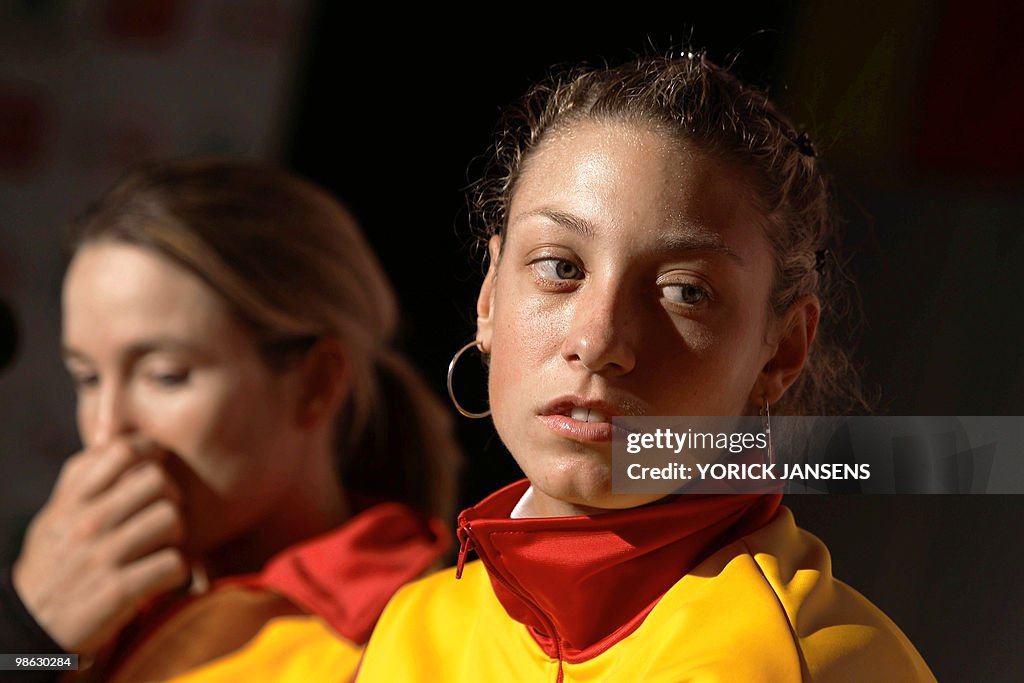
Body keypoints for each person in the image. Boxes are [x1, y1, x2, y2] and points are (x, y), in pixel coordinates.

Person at [355, 55, 936, 681]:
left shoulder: (813, 662)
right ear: (491, 297)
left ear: (783, 350)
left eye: (684, 290)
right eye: (560, 267)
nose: (599, 339)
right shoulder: (414, 631)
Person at [0, 159, 460, 682]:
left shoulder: (403, 643)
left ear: (316, 384)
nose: (106, 431)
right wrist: (29, 635)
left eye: (165, 375)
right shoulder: (91, 602)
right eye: (87, 378)